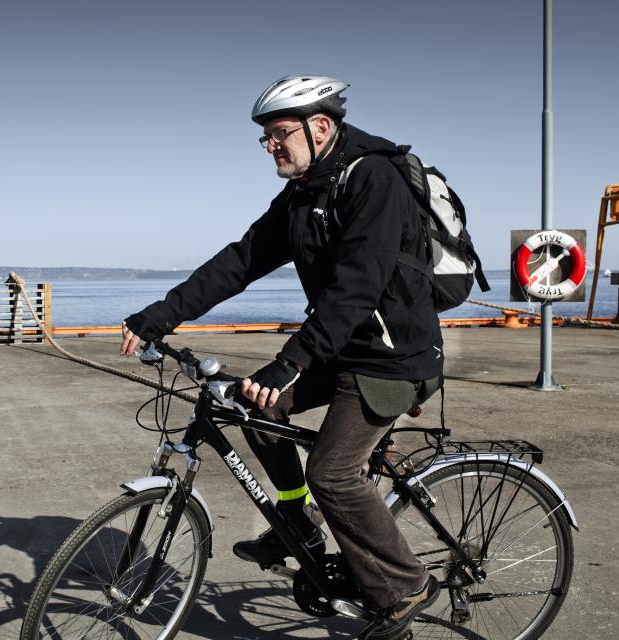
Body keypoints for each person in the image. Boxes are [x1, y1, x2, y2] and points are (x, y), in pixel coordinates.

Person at [120, 74, 442, 640]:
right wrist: (162, 313)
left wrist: (290, 361)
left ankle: (405, 587)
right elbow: (241, 260)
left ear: (321, 128)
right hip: (342, 349)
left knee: (334, 472)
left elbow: (356, 289)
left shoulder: (374, 180)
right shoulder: (305, 192)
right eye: (265, 137)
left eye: (279, 133)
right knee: (252, 406)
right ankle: (297, 522)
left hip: (393, 358)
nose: (270, 145)